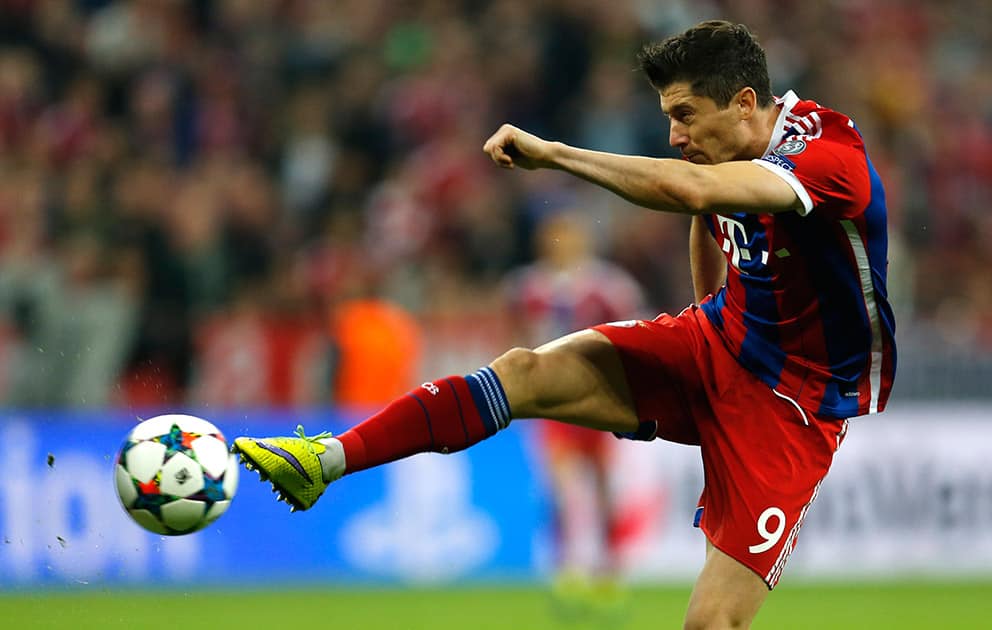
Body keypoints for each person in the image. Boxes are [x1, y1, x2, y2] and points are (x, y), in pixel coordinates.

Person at [234, 20, 896, 629]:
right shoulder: (722, 158)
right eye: (669, 118)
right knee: (522, 371)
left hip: (791, 405)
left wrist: (552, 155)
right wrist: (704, 317)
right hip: (716, 343)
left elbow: (692, 193)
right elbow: (707, 210)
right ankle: (323, 460)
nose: (674, 136)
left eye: (685, 116)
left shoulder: (827, 158)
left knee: (711, 624)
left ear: (745, 103)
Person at [502, 210, 645, 609]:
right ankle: (567, 569)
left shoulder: (609, 286)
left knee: (603, 488)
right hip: (551, 404)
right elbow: (515, 340)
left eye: (566, 234)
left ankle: (609, 570)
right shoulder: (526, 287)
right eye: (552, 235)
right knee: (560, 489)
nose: (559, 242)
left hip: (599, 401)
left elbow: (632, 337)